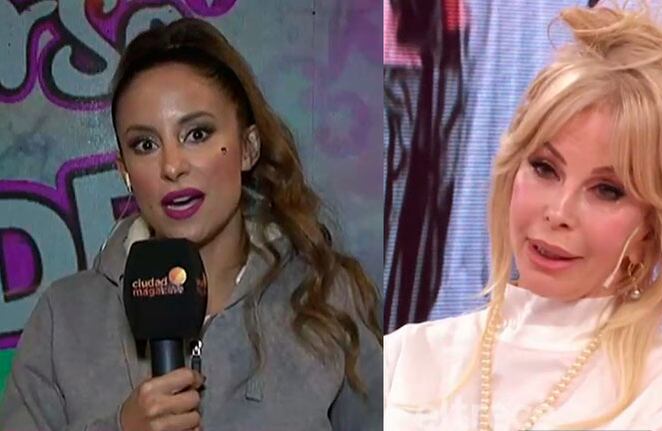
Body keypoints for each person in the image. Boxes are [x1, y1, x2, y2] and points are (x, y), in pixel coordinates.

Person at [0, 18, 382, 431]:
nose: (172, 166)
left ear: (247, 148)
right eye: (145, 144)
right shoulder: (63, 319)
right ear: (125, 171)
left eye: (197, 134)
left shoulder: (326, 297)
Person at [384, 4, 662, 431]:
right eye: (545, 168)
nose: (559, 213)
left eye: (607, 190)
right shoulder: (403, 359)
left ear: (649, 230)